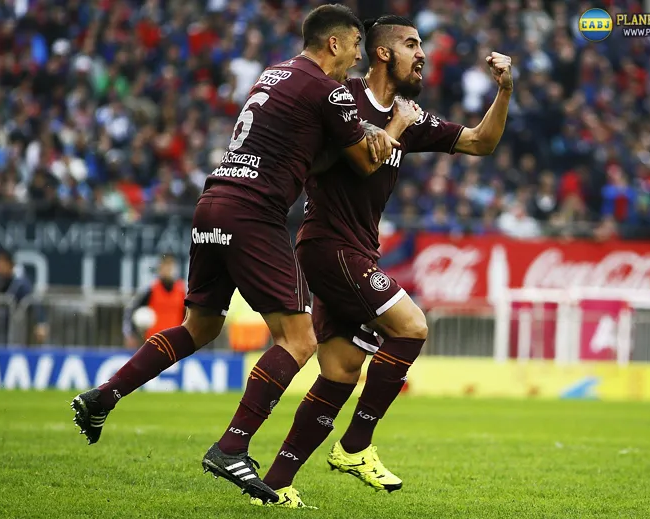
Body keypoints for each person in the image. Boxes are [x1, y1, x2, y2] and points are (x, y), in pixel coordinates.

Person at [70, 4, 409, 504]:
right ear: (334, 43)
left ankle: (104, 395)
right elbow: (365, 160)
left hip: (213, 202)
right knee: (298, 339)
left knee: (200, 326)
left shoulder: (274, 74)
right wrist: (396, 125)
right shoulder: (329, 89)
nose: (358, 58)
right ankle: (232, 446)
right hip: (254, 212)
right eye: (356, 46)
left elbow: (311, 153)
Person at [252, 15, 514, 508]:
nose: (422, 54)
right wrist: (381, 130)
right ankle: (355, 446)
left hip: (353, 250)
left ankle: (275, 485)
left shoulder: (410, 116)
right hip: (329, 244)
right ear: (382, 53)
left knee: (341, 372)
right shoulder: (342, 98)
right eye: (412, 44)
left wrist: (504, 91)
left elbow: (482, 142)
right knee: (411, 326)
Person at [122, 255, 185, 349]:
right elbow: (132, 309)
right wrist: (130, 334)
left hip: (175, 342)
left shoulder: (181, 291)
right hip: (154, 342)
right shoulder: (151, 289)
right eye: (165, 267)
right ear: (160, 269)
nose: (168, 271)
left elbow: (187, 315)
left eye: (170, 267)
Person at [0, 249, 47, 345]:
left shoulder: (21, 284)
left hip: (15, 334)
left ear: (9, 264)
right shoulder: (0, 282)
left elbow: (33, 301)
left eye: (0, 264)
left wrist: (41, 323)